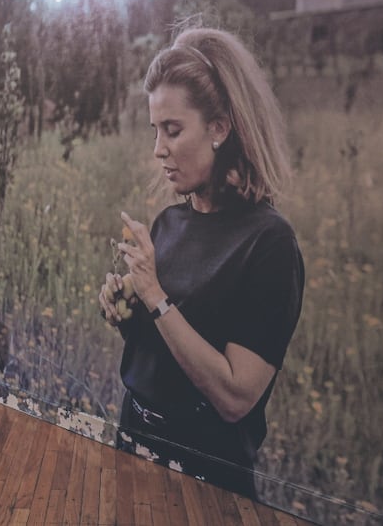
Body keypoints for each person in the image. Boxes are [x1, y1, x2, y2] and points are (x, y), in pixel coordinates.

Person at [98, 27, 305, 499]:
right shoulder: (169, 223)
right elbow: (166, 339)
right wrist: (127, 310)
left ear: (219, 128)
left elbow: (235, 397)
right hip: (133, 443)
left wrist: (153, 294)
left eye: (173, 130)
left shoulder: (269, 244)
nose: (158, 149)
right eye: (155, 130)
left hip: (205, 478)